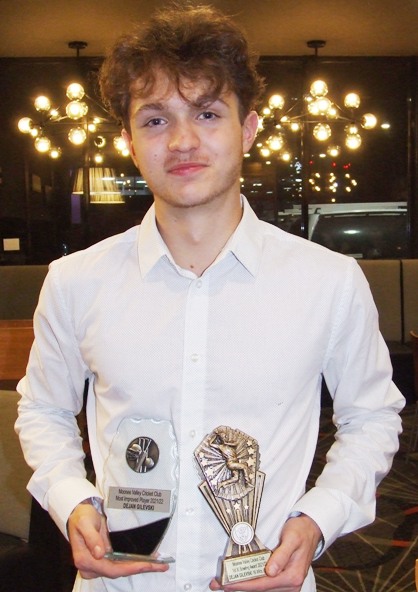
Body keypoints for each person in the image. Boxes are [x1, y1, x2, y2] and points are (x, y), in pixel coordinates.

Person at [15, 4, 405, 592]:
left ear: (247, 128)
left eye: (207, 112)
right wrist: (70, 499)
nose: (182, 140)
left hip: (268, 578)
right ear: (127, 139)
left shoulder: (328, 280)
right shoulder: (76, 281)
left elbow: (372, 416)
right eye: (154, 119)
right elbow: (43, 410)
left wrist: (318, 517)